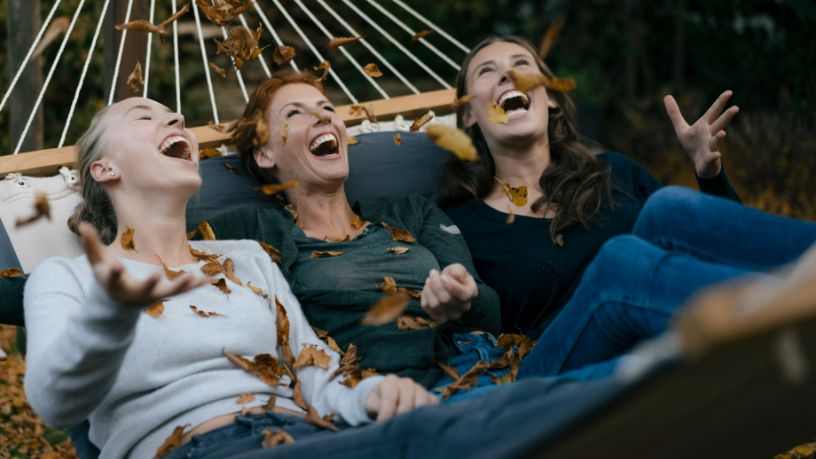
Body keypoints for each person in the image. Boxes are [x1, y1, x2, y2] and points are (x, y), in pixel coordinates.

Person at [22, 97, 435, 458]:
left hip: (309, 437)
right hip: (200, 447)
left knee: (491, 418)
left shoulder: (246, 259)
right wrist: (110, 319)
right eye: (143, 117)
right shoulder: (67, 278)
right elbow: (54, 404)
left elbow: (316, 375)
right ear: (104, 168)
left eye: (173, 115)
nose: (178, 119)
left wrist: (372, 396)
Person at [440, 35, 745, 338]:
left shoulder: (615, 171)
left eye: (521, 63)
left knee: (669, 210)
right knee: (622, 254)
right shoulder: (460, 224)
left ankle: (787, 285)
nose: (509, 74)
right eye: (486, 71)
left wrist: (710, 175)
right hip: (571, 363)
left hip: (683, 329)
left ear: (550, 98)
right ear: (467, 114)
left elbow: (729, 248)